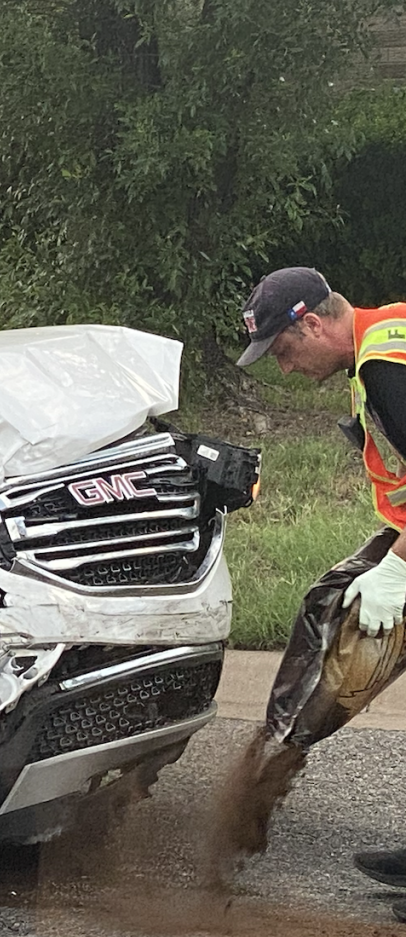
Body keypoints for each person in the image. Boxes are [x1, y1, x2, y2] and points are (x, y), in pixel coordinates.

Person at [238, 267, 406, 918]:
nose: (285, 368)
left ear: (311, 323)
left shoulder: (386, 367)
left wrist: (395, 568)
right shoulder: (383, 342)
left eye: (283, 350)